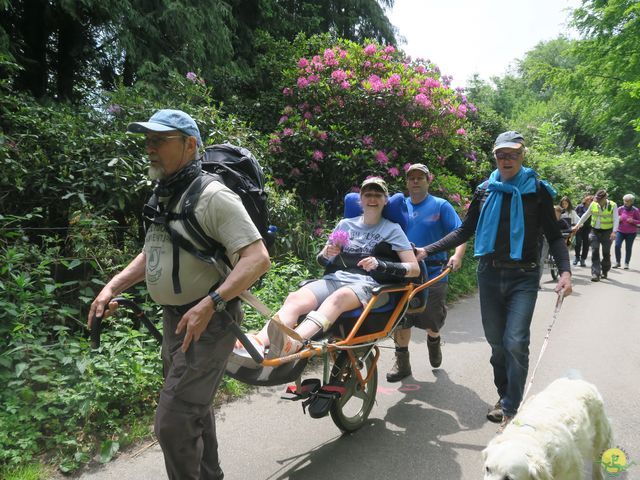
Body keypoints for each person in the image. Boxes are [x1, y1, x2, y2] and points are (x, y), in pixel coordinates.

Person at [87, 109, 270, 480]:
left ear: (189, 145)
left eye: (160, 140)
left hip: (211, 323)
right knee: (193, 409)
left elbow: (257, 258)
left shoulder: (214, 196)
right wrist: (111, 287)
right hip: (177, 322)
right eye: (148, 141)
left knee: (172, 423)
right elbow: (152, 252)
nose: (150, 148)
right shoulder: (164, 196)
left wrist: (211, 303)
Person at [422, 131, 572, 432]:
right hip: (489, 274)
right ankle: (505, 395)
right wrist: (426, 249)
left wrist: (566, 272)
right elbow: (464, 232)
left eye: (512, 154)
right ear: (495, 157)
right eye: (501, 155)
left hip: (524, 275)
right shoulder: (484, 191)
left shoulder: (537, 191)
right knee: (496, 344)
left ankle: (511, 407)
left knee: (515, 341)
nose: (507, 159)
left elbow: (555, 237)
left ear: (522, 155)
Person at [233, 177, 419, 361]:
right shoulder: (345, 224)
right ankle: (259, 340)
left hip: (366, 284)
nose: (372, 199)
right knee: (295, 297)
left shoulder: (393, 229)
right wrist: (328, 253)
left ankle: (294, 342)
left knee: (337, 298)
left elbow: (414, 269)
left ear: (385, 200)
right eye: (368, 194)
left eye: (378, 195)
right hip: (335, 279)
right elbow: (322, 260)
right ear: (360, 199)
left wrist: (382, 264)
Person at [386, 163, 467, 382]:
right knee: (400, 318)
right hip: (404, 271)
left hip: (434, 270)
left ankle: (434, 337)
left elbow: (460, 233)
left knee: (431, 316)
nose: (415, 181)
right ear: (406, 182)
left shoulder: (441, 206)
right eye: (411, 178)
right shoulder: (399, 206)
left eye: (420, 178)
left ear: (428, 180)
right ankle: (402, 363)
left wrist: (457, 256)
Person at [572, 189, 619, 282]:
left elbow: (616, 219)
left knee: (606, 253)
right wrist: (577, 225)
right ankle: (595, 273)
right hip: (594, 231)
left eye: (599, 199)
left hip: (607, 232)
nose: (597, 201)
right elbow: (586, 215)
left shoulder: (613, 205)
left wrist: (614, 232)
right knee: (595, 251)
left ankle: (605, 270)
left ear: (605, 198)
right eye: (596, 199)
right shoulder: (593, 204)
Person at [614, 193, 640, 269]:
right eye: (624, 200)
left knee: (628, 248)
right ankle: (618, 262)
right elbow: (614, 219)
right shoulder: (620, 209)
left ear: (631, 201)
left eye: (627, 201)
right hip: (620, 231)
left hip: (631, 233)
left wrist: (633, 221)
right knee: (617, 246)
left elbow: (639, 221)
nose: (625, 202)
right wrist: (618, 219)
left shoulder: (635, 210)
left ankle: (626, 263)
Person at [574, 195, 593, 267]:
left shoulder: (593, 208)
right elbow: (574, 215)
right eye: (588, 200)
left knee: (586, 244)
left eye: (591, 200)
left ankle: (583, 259)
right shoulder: (579, 207)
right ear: (585, 200)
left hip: (588, 228)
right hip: (579, 227)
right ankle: (577, 257)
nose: (589, 201)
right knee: (578, 242)